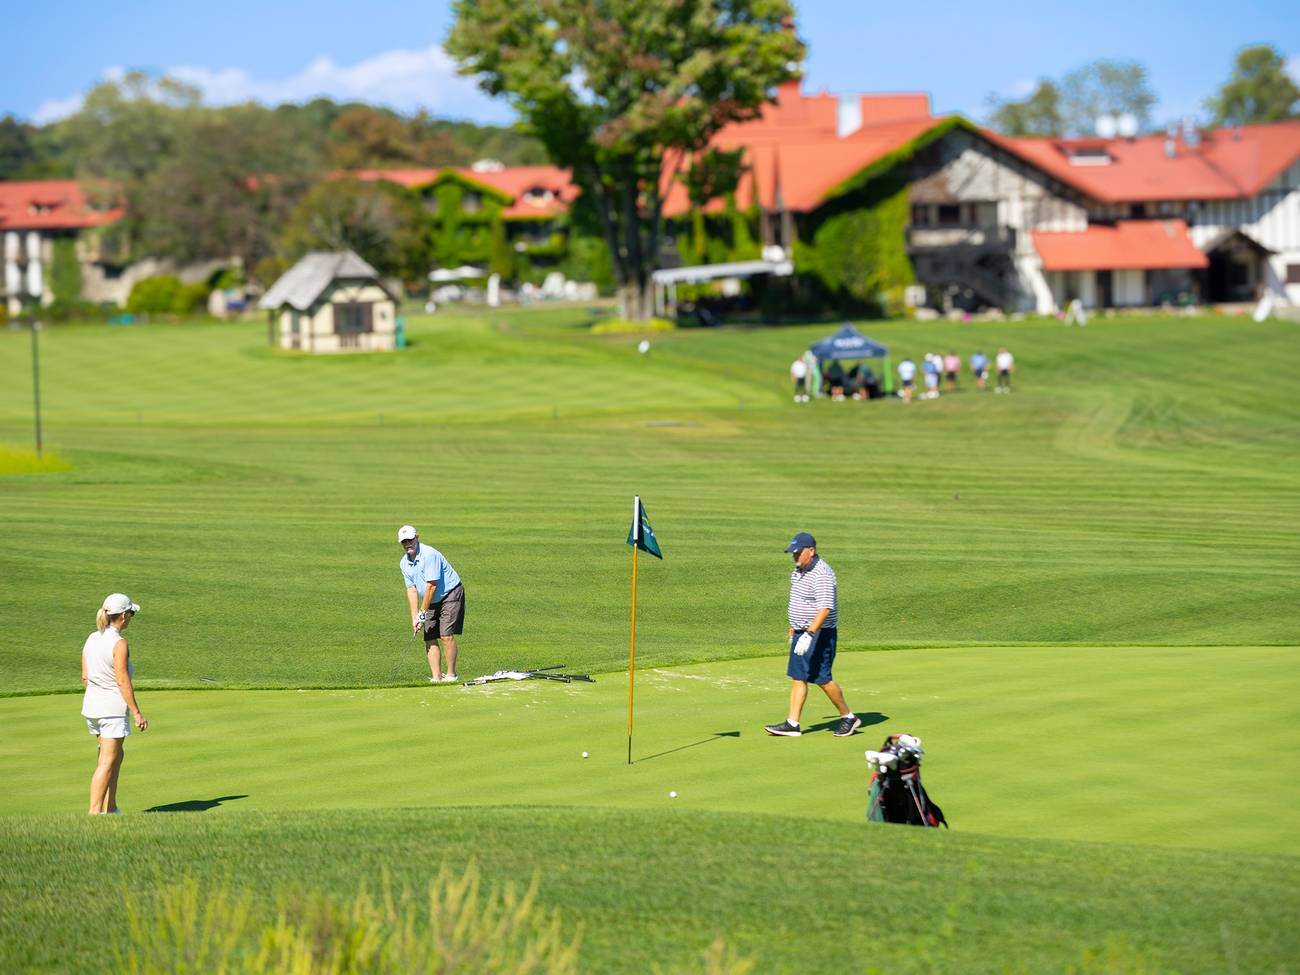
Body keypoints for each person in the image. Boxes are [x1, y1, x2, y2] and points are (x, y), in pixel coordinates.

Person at [765, 532, 861, 738]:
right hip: (802, 631)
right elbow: (800, 600)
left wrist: (809, 633)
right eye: (793, 553)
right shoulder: (799, 570)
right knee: (798, 676)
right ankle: (793, 723)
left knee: (822, 678)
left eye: (798, 553)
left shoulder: (822, 573)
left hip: (820, 634)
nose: (795, 556)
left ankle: (849, 717)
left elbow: (825, 607)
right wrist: (795, 625)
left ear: (811, 551)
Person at [81, 593, 148, 815]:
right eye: (131, 613)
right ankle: (93, 815)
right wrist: (136, 712)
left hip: (93, 707)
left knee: (115, 756)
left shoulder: (92, 638)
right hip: (111, 710)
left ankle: (110, 809)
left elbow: (85, 677)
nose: (131, 618)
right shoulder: (119, 643)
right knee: (107, 762)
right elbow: (122, 680)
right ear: (122, 615)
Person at [398, 524, 465, 683]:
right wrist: (415, 617)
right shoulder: (404, 563)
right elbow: (412, 590)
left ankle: (451, 675)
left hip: (450, 593)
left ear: (417, 538)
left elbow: (432, 586)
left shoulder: (429, 554)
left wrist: (422, 612)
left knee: (445, 635)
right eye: (404, 542)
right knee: (429, 637)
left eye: (410, 540)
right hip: (432, 599)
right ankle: (436, 678)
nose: (408, 544)